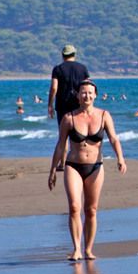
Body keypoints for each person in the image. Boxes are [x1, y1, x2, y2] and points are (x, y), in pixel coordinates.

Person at [48, 82, 125, 262]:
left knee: (91, 209)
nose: (87, 96)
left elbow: (114, 138)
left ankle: (88, 249)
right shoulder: (69, 118)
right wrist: (52, 170)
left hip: (96, 167)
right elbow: (60, 146)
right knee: (75, 207)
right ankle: (76, 249)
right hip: (73, 165)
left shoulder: (104, 115)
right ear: (78, 96)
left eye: (90, 93)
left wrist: (120, 158)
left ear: (95, 95)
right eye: (83, 93)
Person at [49, 44, 91, 123]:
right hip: (78, 105)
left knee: (63, 133)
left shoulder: (57, 69)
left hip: (62, 106)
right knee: (78, 133)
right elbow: (88, 87)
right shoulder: (83, 68)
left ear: (63, 55)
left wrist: (50, 105)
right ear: (74, 54)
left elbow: (54, 88)